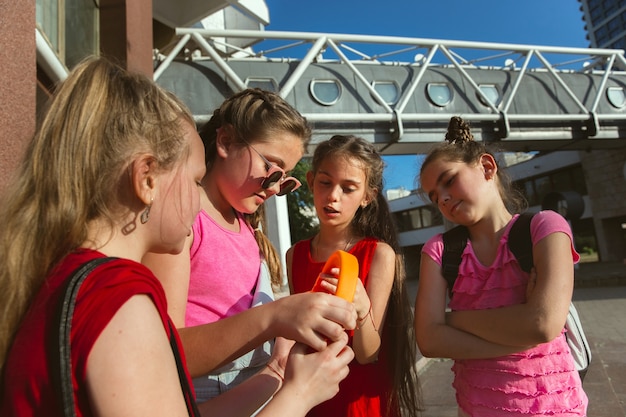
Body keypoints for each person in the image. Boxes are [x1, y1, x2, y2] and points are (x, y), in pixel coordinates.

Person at [0, 57, 354, 417]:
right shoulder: (119, 297)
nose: (195, 201)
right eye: (194, 180)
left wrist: (278, 373)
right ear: (147, 179)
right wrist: (296, 388)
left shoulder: (79, 281)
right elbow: (173, 360)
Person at [142, 88, 357, 407]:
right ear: (226, 141)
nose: (272, 189)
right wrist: (277, 316)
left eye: (284, 182)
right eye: (271, 170)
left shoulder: (245, 228)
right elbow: (164, 350)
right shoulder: (183, 220)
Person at [414, 116, 588, 416]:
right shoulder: (440, 250)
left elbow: (542, 324)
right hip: (475, 407)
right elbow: (428, 340)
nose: (442, 198)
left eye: (449, 180)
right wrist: (517, 332)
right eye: (434, 196)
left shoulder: (545, 227)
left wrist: (451, 321)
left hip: (554, 407)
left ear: (486, 167)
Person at [287, 135, 422, 417]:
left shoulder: (380, 254)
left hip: (359, 400)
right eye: (325, 182)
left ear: (367, 197)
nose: (333, 196)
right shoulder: (294, 255)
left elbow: (368, 353)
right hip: (310, 396)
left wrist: (362, 312)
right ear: (311, 181)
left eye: (348, 188)